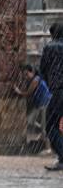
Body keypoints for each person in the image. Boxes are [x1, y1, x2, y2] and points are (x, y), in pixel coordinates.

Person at [39, 23, 63, 170]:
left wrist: (51, 84)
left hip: (59, 91)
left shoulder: (50, 47)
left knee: (50, 126)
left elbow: (42, 70)